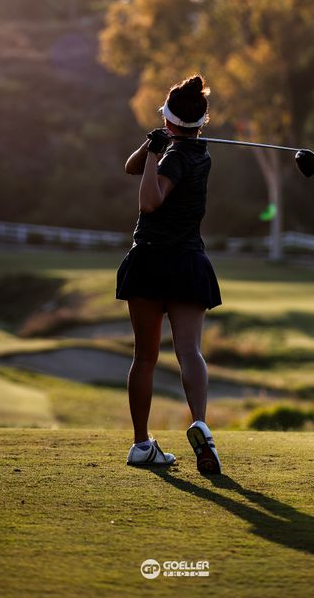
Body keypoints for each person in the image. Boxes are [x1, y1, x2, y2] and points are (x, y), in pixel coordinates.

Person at [116, 74, 223, 475]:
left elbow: (149, 201)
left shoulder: (174, 158)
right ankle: (201, 424)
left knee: (145, 356)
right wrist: (152, 144)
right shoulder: (200, 154)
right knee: (189, 352)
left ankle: (141, 444)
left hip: (151, 261)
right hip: (187, 263)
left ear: (168, 119)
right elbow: (131, 166)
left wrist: (156, 153)